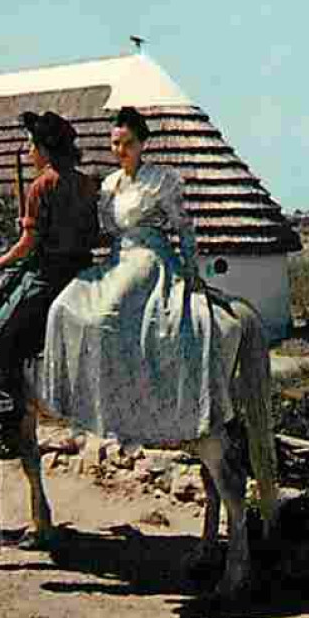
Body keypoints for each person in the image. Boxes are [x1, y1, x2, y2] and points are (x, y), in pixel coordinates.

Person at [40, 106, 239, 446]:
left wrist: (190, 271)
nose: (120, 151)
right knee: (63, 307)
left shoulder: (160, 180)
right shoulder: (109, 185)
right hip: (117, 257)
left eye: (127, 143)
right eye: (115, 144)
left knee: (104, 317)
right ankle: (91, 407)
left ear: (142, 144)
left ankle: (136, 412)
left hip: (150, 258)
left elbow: (183, 229)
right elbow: (104, 232)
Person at [0, 110, 99, 460]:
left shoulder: (42, 184)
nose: (28, 151)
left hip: (48, 276)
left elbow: (26, 245)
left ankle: (7, 429)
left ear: (45, 148)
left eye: (31, 144)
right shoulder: (87, 183)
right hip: (83, 275)